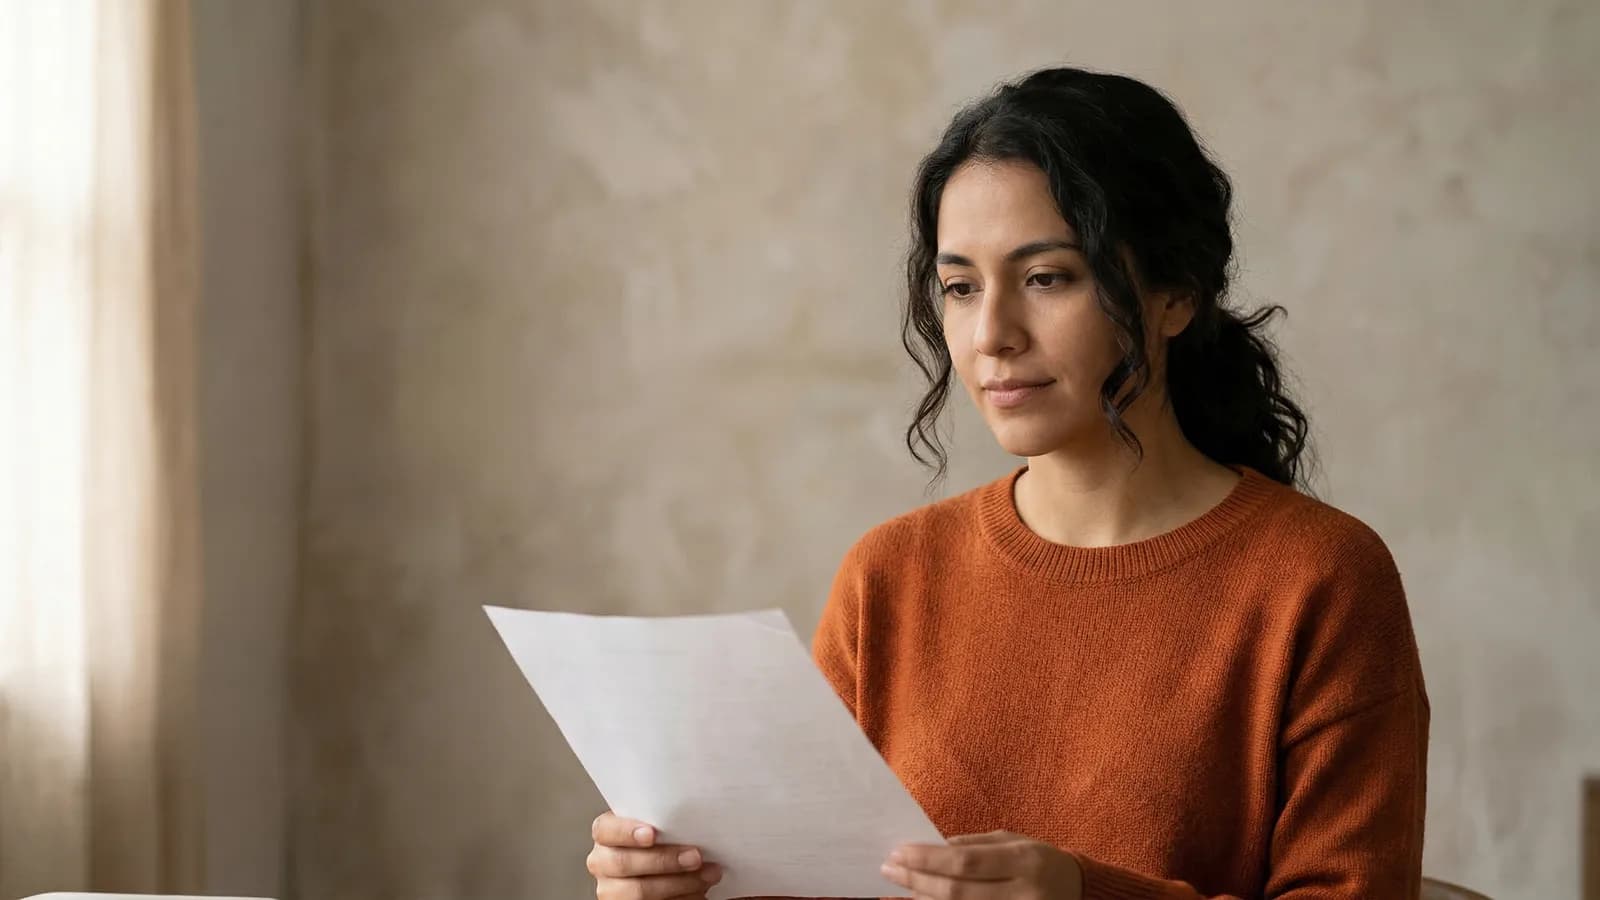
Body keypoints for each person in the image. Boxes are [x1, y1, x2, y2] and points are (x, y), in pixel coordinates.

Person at [585, 66, 1428, 900]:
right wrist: (680, 888)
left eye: (1047, 278)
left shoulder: (1321, 578)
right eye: (959, 287)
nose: (991, 335)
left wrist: (1084, 896)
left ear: (1177, 295)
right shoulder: (888, 578)